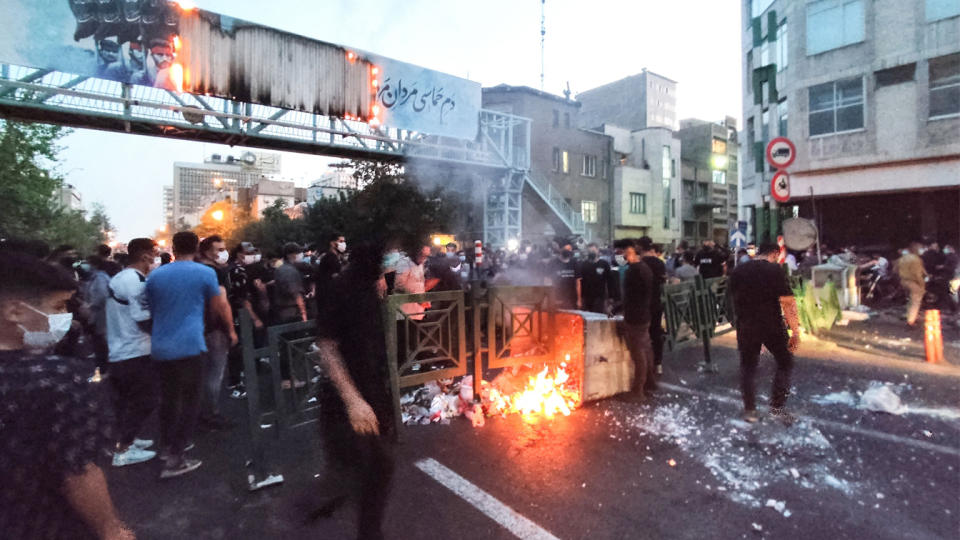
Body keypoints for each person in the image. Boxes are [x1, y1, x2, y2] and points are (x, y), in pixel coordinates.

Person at [0, 250, 135, 540]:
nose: (66, 317)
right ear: (14, 311)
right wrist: (112, 530)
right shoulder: (61, 378)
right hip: (42, 524)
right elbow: (78, 472)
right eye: (59, 306)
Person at [309, 242, 396, 539]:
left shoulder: (370, 288)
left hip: (370, 391)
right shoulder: (341, 287)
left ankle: (329, 501)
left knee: (372, 467)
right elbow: (327, 347)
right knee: (375, 467)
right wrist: (353, 401)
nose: (392, 261)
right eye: (387, 256)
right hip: (345, 399)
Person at [146, 231, 235, 479]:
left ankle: (165, 448)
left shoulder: (155, 276)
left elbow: (153, 309)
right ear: (197, 248)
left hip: (161, 345)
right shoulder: (205, 273)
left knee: (169, 399)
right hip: (190, 344)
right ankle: (176, 458)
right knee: (190, 402)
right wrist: (230, 330)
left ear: (173, 247)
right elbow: (219, 305)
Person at [728, 242, 801, 424]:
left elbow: (729, 299)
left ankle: (750, 411)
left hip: (746, 325)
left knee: (748, 367)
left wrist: (738, 321)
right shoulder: (774, 270)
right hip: (772, 325)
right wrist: (795, 330)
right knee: (785, 362)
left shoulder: (739, 270)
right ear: (775, 254)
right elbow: (788, 301)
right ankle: (777, 408)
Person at [105, 238, 160, 467]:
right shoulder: (135, 281)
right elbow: (142, 319)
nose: (155, 258)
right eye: (154, 253)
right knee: (145, 400)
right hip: (134, 350)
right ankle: (123, 449)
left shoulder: (120, 277)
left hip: (120, 349)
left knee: (127, 402)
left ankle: (127, 440)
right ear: (145, 255)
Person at [196, 235, 236, 431]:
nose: (223, 252)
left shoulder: (196, 269)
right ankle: (210, 414)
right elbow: (221, 303)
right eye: (218, 249)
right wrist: (230, 329)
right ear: (206, 252)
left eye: (224, 248)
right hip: (215, 329)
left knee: (202, 373)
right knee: (215, 373)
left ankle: (200, 411)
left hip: (198, 329)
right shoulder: (214, 272)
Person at [619, 239, 656, 397]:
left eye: (624, 253)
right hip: (643, 314)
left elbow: (631, 296)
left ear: (631, 253)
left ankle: (638, 391)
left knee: (638, 353)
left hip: (635, 317)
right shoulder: (644, 269)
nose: (622, 256)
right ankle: (650, 383)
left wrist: (619, 308)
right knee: (646, 349)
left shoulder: (634, 271)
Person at [638, 237, 666, 376]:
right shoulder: (660, 263)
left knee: (642, 335)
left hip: (642, 304)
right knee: (656, 333)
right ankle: (658, 363)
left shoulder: (639, 264)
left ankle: (645, 366)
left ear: (640, 248)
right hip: (656, 302)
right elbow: (662, 282)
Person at [272, 243, 308, 325]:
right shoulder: (289, 271)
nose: (301, 255)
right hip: (292, 312)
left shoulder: (281, 268)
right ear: (290, 255)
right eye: (298, 253)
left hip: (284, 311)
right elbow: (296, 294)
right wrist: (303, 313)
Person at [579, 243, 617, 314]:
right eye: (590, 251)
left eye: (593, 250)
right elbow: (580, 281)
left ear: (598, 251)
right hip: (586, 296)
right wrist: (580, 297)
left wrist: (611, 296)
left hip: (599, 296)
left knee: (598, 316)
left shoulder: (604, 264)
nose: (592, 253)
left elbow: (610, 281)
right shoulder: (583, 264)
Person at [897, 241, 927, 328]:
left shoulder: (902, 258)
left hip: (903, 281)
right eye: (921, 248)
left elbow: (895, 270)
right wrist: (922, 285)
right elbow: (917, 274)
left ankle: (908, 316)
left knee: (910, 300)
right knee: (915, 302)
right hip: (914, 282)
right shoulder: (916, 260)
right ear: (916, 249)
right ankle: (911, 322)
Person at [315, 232, 346, 313]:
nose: (343, 244)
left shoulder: (333, 257)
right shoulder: (330, 258)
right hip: (330, 299)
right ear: (332, 243)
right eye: (341, 241)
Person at [547, 244, 580, 310]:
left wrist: (579, 299)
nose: (568, 251)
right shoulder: (553, 263)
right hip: (557, 298)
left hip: (571, 299)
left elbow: (578, 283)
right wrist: (550, 298)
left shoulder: (574, 263)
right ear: (561, 250)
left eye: (569, 249)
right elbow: (548, 282)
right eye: (566, 249)